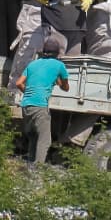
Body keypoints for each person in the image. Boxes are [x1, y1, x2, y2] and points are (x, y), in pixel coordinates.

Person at [15, 36, 70, 164]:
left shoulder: (33, 64)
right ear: (57, 53)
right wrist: (58, 81)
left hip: (26, 105)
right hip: (39, 106)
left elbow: (19, 83)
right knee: (45, 140)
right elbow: (66, 88)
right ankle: (38, 168)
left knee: (34, 137)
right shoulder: (59, 65)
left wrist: (29, 93)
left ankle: (30, 164)